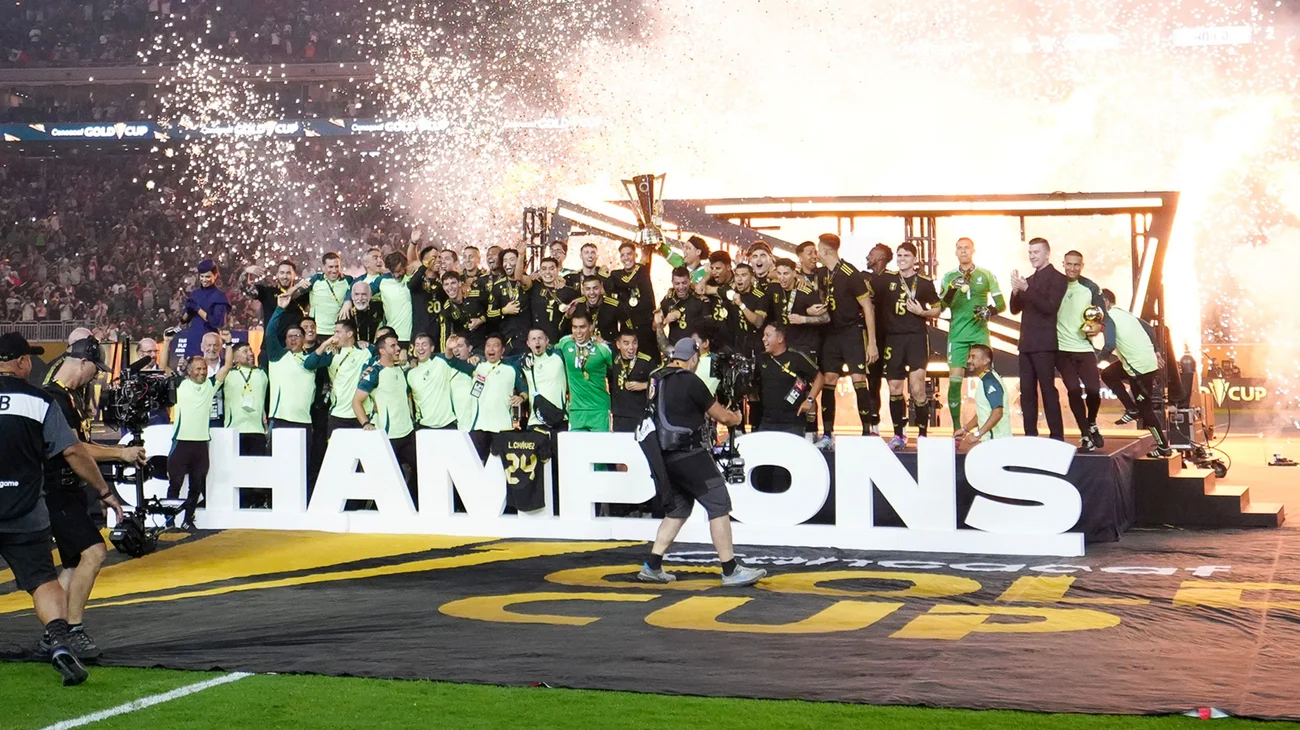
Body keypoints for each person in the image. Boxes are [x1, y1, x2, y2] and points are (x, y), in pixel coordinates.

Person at [0, 332, 123, 684]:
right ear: (21, 362)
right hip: (25, 510)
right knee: (43, 581)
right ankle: (58, 640)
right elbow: (72, 450)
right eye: (29, 358)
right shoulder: (39, 401)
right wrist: (103, 489)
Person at [40, 337, 143, 661]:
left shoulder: (69, 397)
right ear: (82, 363)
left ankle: (54, 632)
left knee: (73, 565)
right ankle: (73, 630)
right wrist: (120, 454)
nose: (96, 376)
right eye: (95, 369)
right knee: (95, 553)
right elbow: (75, 449)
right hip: (56, 491)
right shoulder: (55, 398)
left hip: (67, 491)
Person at [636, 338, 766, 587]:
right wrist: (736, 417)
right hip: (689, 453)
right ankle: (730, 570)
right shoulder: (690, 381)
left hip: (663, 455)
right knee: (718, 503)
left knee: (679, 509)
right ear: (693, 358)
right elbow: (723, 417)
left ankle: (652, 566)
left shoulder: (656, 378)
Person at [815, 233, 880, 449]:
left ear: (825, 250)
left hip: (852, 332)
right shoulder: (823, 273)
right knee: (829, 379)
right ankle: (827, 434)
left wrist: (872, 343)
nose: (817, 253)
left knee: (858, 378)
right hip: (831, 334)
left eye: (818, 249)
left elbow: (868, 307)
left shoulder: (850, 273)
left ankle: (866, 431)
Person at [1091, 290, 1173, 458]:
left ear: (1105, 301)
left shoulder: (1109, 317)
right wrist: (1156, 351)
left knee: (1146, 410)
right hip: (1142, 362)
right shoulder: (1124, 314)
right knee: (1108, 374)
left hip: (1139, 370)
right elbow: (1149, 328)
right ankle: (1131, 408)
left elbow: (1109, 345)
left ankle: (1164, 447)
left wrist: (1095, 362)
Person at [878, 242, 941, 450]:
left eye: (906, 255)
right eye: (899, 255)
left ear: (915, 259)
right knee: (894, 388)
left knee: (917, 388)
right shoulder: (888, 279)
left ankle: (922, 434)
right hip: (893, 339)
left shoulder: (924, 282)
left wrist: (922, 312)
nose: (902, 259)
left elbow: (937, 308)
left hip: (916, 338)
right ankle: (898, 434)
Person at [939, 237, 1005, 432]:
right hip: (957, 335)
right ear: (955, 252)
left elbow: (1001, 304)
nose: (963, 251)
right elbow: (941, 306)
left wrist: (989, 311)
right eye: (959, 248)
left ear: (973, 250)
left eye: (966, 248)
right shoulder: (949, 277)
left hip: (979, 333)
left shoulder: (986, 274)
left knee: (987, 379)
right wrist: (952, 289)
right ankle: (957, 429)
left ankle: (991, 427)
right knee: (955, 381)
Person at [167, 346, 235, 530]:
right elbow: (164, 366)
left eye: (204, 368)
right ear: (189, 371)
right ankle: (169, 522)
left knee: (196, 486)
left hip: (201, 445)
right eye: (198, 369)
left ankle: (188, 520)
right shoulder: (180, 384)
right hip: (181, 442)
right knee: (175, 485)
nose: (202, 372)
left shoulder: (210, 385)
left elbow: (227, 365)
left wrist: (228, 344)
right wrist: (167, 342)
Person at [1009, 237, 1068, 440]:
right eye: (1030, 252)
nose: (1032, 256)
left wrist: (1026, 289)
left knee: (1048, 390)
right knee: (1027, 391)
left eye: (1036, 252)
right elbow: (1015, 309)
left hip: (1044, 344)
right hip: (1026, 344)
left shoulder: (1058, 279)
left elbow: (1049, 307)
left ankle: (1057, 436)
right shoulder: (1029, 280)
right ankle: (1030, 434)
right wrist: (1015, 291)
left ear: (1047, 253)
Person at [1056, 250, 1107, 452]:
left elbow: (1102, 315)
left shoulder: (1090, 287)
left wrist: (1099, 326)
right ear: (1063, 264)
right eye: (1069, 264)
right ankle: (1085, 434)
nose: (1072, 268)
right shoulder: (1056, 285)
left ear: (1082, 266)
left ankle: (1091, 422)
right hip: (1061, 350)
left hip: (1084, 348)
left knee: (1094, 390)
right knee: (1074, 390)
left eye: (1076, 264)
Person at [355, 332, 418, 495]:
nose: (398, 348)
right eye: (393, 346)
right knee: (386, 480)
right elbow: (356, 401)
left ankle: (413, 506)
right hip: (388, 435)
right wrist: (365, 423)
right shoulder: (374, 372)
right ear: (382, 351)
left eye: (397, 345)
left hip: (408, 432)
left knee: (419, 472)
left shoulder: (400, 369)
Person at [264, 296, 316, 465]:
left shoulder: (312, 359)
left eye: (297, 336)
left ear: (304, 339)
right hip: (280, 420)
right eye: (290, 336)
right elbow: (270, 333)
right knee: (277, 466)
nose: (293, 339)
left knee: (301, 467)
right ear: (285, 340)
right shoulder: (277, 356)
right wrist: (279, 309)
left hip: (304, 422)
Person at [303, 319, 372, 435]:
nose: (334, 336)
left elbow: (385, 354)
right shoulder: (332, 353)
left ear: (349, 334)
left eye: (338, 332)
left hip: (363, 414)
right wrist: (325, 344)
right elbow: (308, 364)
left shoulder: (366, 350)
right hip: (338, 414)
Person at [756, 323, 823, 436]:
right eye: (763, 335)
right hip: (767, 421)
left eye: (768, 335)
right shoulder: (761, 359)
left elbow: (819, 378)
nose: (763, 339)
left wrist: (810, 400)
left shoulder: (796, 358)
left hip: (792, 423)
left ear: (780, 338)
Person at [466, 334, 526, 457]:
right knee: (477, 463)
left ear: (502, 350)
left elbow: (524, 390)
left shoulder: (511, 370)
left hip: (502, 427)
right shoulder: (477, 366)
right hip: (479, 426)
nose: (491, 349)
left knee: (499, 464)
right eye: (488, 346)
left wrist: (521, 398)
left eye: (495, 346)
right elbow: (456, 364)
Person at [240, 259, 308, 365]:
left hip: (293, 349)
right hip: (269, 349)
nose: (285, 276)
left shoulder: (303, 295)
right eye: (282, 273)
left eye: (288, 273)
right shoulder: (267, 292)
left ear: (294, 275)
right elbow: (245, 288)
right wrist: (246, 272)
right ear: (277, 275)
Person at [558, 308, 613, 432]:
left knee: (599, 445)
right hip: (576, 411)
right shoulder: (565, 343)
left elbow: (619, 370)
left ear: (591, 327)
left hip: (599, 410)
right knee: (576, 445)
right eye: (575, 327)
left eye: (582, 327)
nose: (578, 332)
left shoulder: (602, 348)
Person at [862, 243, 894, 434]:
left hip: (892, 338)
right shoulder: (864, 279)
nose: (867, 257)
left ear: (881, 258)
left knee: (895, 383)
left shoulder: (893, 279)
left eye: (871, 254)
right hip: (871, 338)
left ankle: (900, 430)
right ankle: (873, 424)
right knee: (872, 382)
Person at [610, 241, 660, 361]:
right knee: (629, 361)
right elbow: (626, 282)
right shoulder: (616, 275)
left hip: (646, 326)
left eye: (629, 254)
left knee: (650, 359)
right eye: (623, 255)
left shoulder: (642, 270)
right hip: (628, 326)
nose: (626, 258)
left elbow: (629, 282)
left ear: (635, 255)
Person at [953, 344, 1012, 446]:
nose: (969, 360)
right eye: (969, 357)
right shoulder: (984, 380)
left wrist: (977, 434)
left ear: (986, 360)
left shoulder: (990, 382)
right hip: (992, 442)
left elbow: (997, 413)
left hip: (998, 442)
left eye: (973, 357)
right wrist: (965, 429)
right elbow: (982, 413)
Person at [513, 329, 568, 431]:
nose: (537, 342)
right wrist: (522, 396)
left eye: (540, 338)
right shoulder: (524, 362)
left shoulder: (559, 355)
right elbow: (503, 363)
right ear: (528, 343)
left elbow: (570, 343)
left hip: (560, 419)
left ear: (547, 341)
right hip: (535, 422)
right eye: (533, 339)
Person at [406, 332, 459, 431]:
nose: (420, 348)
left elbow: (448, 356)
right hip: (423, 426)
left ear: (432, 348)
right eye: (417, 345)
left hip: (447, 424)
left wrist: (448, 347)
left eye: (424, 345)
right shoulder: (410, 374)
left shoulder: (441, 362)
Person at [519, 256, 578, 344]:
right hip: (537, 341)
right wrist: (520, 255)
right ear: (540, 271)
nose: (547, 272)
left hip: (560, 340)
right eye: (544, 269)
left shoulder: (568, 291)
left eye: (551, 269)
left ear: (557, 270)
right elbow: (518, 277)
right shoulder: (534, 286)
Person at [223, 342, 269, 455]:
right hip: (234, 430)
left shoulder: (262, 373)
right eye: (245, 351)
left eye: (251, 350)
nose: (250, 353)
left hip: (257, 430)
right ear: (235, 358)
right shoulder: (228, 374)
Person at [180, 259, 230, 357]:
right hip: (193, 339)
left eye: (207, 276)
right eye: (202, 276)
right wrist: (188, 310)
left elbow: (217, 322)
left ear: (215, 276)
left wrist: (198, 309)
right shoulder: (195, 294)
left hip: (210, 342)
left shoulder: (219, 296)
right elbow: (183, 320)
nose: (204, 280)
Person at [487, 249, 531, 356]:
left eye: (511, 260)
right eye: (505, 260)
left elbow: (519, 277)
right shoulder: (497, 285)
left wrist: (521, 254)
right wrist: (504, 310)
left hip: (527, 338)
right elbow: (489, 314)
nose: (508, 263)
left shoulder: (527, 280)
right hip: (506, 339)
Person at [610, 330, 654, 433]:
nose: (631, 347)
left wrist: (644, 385)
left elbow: (659, 381)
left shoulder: (646, 361)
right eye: (626, 343)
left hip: (639, 414)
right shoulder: (613, 361)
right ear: (618, 345)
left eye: (634, 343)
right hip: (619, 415)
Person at [305, 252, 354, 338]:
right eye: (331, 267)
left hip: (339, 332)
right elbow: (298, 294)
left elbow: (358, 288)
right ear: (323, 267)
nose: (334, 270)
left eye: (337, 266)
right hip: (318, 332)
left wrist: (348, 301)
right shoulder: (315, 279)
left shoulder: (347, 280)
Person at [658, 266, 707, 345]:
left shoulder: (699, 299)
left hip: (695, 348)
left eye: (684, 283)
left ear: (690, 281)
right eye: (677, 283)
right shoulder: (668, 299)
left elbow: (709, 327)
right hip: (675, 348)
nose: (681, 287)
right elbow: (655, 326)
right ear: (672, 283)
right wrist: (666, 320)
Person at [346, 280, 384, 346]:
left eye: (364, 294)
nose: (360, 298)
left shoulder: (378, 307)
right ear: (352, 296)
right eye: (357, 294)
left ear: (370, 295)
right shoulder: (346, 313)